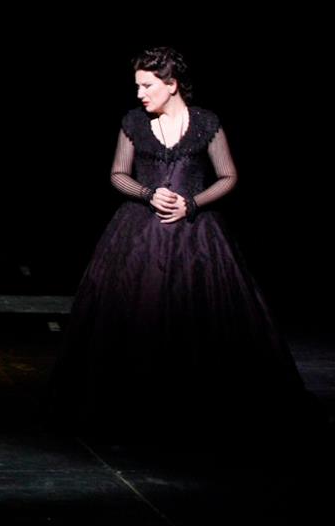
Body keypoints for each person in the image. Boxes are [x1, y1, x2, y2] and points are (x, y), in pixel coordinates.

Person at [51, 46, 314, 439]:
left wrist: (191, 203)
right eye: (138, 85)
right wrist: (148, 194)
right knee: (135, 314)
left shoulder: (206, 123)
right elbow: (118, 173)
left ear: (171, 84)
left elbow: (228, 176)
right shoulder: (134, 123)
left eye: (147, 85)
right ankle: (128, 406)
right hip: (138, 236)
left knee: (202, 319)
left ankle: (199, 409)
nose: (139, 93)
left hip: (198, 238)